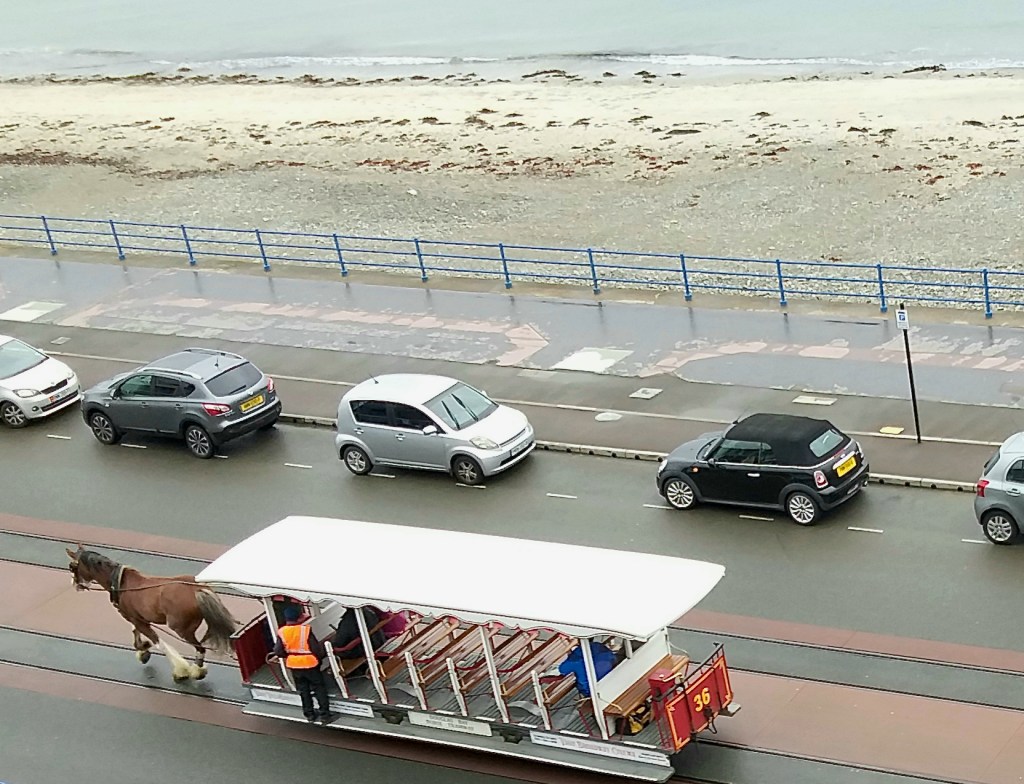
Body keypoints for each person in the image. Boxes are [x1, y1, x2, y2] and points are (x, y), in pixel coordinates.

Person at [271, 604, 333, 724]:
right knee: (319, 688)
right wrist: (320, 659)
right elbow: (316, 649)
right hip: (310, 663)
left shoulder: (282, 631)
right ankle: (325, 715)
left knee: (303, 690)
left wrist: (290, 656)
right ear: (299, 618)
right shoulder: (305, 630)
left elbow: (278, 651)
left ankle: (309, 714)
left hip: (294, 664)